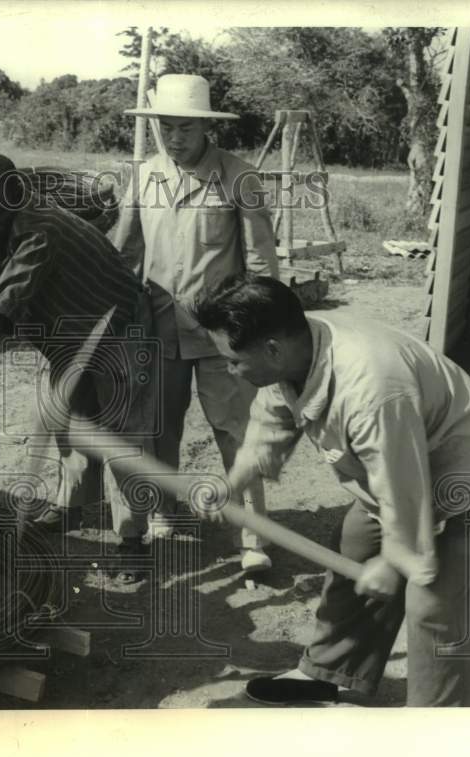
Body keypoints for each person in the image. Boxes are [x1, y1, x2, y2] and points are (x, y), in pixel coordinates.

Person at [192, 275, 470, 707]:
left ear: (272, 350)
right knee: (354, 546)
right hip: (410, 465)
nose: (230, 369)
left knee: (435, 603)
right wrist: (232, 483)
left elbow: (402, 492)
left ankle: (442, 725)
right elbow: (272, 422)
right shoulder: (296, 340)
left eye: (233, 360)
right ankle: (332, 672)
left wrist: (393, 564)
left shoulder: (371, 390)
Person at [0, 153, 156, 568]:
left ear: (15, 195)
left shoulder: (39, 227)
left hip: (118, 325)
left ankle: (133, 541)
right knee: (69, 422)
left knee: (121, 436)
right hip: (67, 333)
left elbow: (1, 306)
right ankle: (71, 506)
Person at [115, 74, 280, 572]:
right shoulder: (145, 175)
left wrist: (260, 334)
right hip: (159, 330)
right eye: (166, 128)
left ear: (208, 128)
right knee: (157, 430)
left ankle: (254, 539)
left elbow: (261, 264)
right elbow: (123, 250)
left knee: (237, 432)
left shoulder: (238, 176)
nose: (175, 137)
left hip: (221, 336)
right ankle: (159, 517)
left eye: (185, 127)